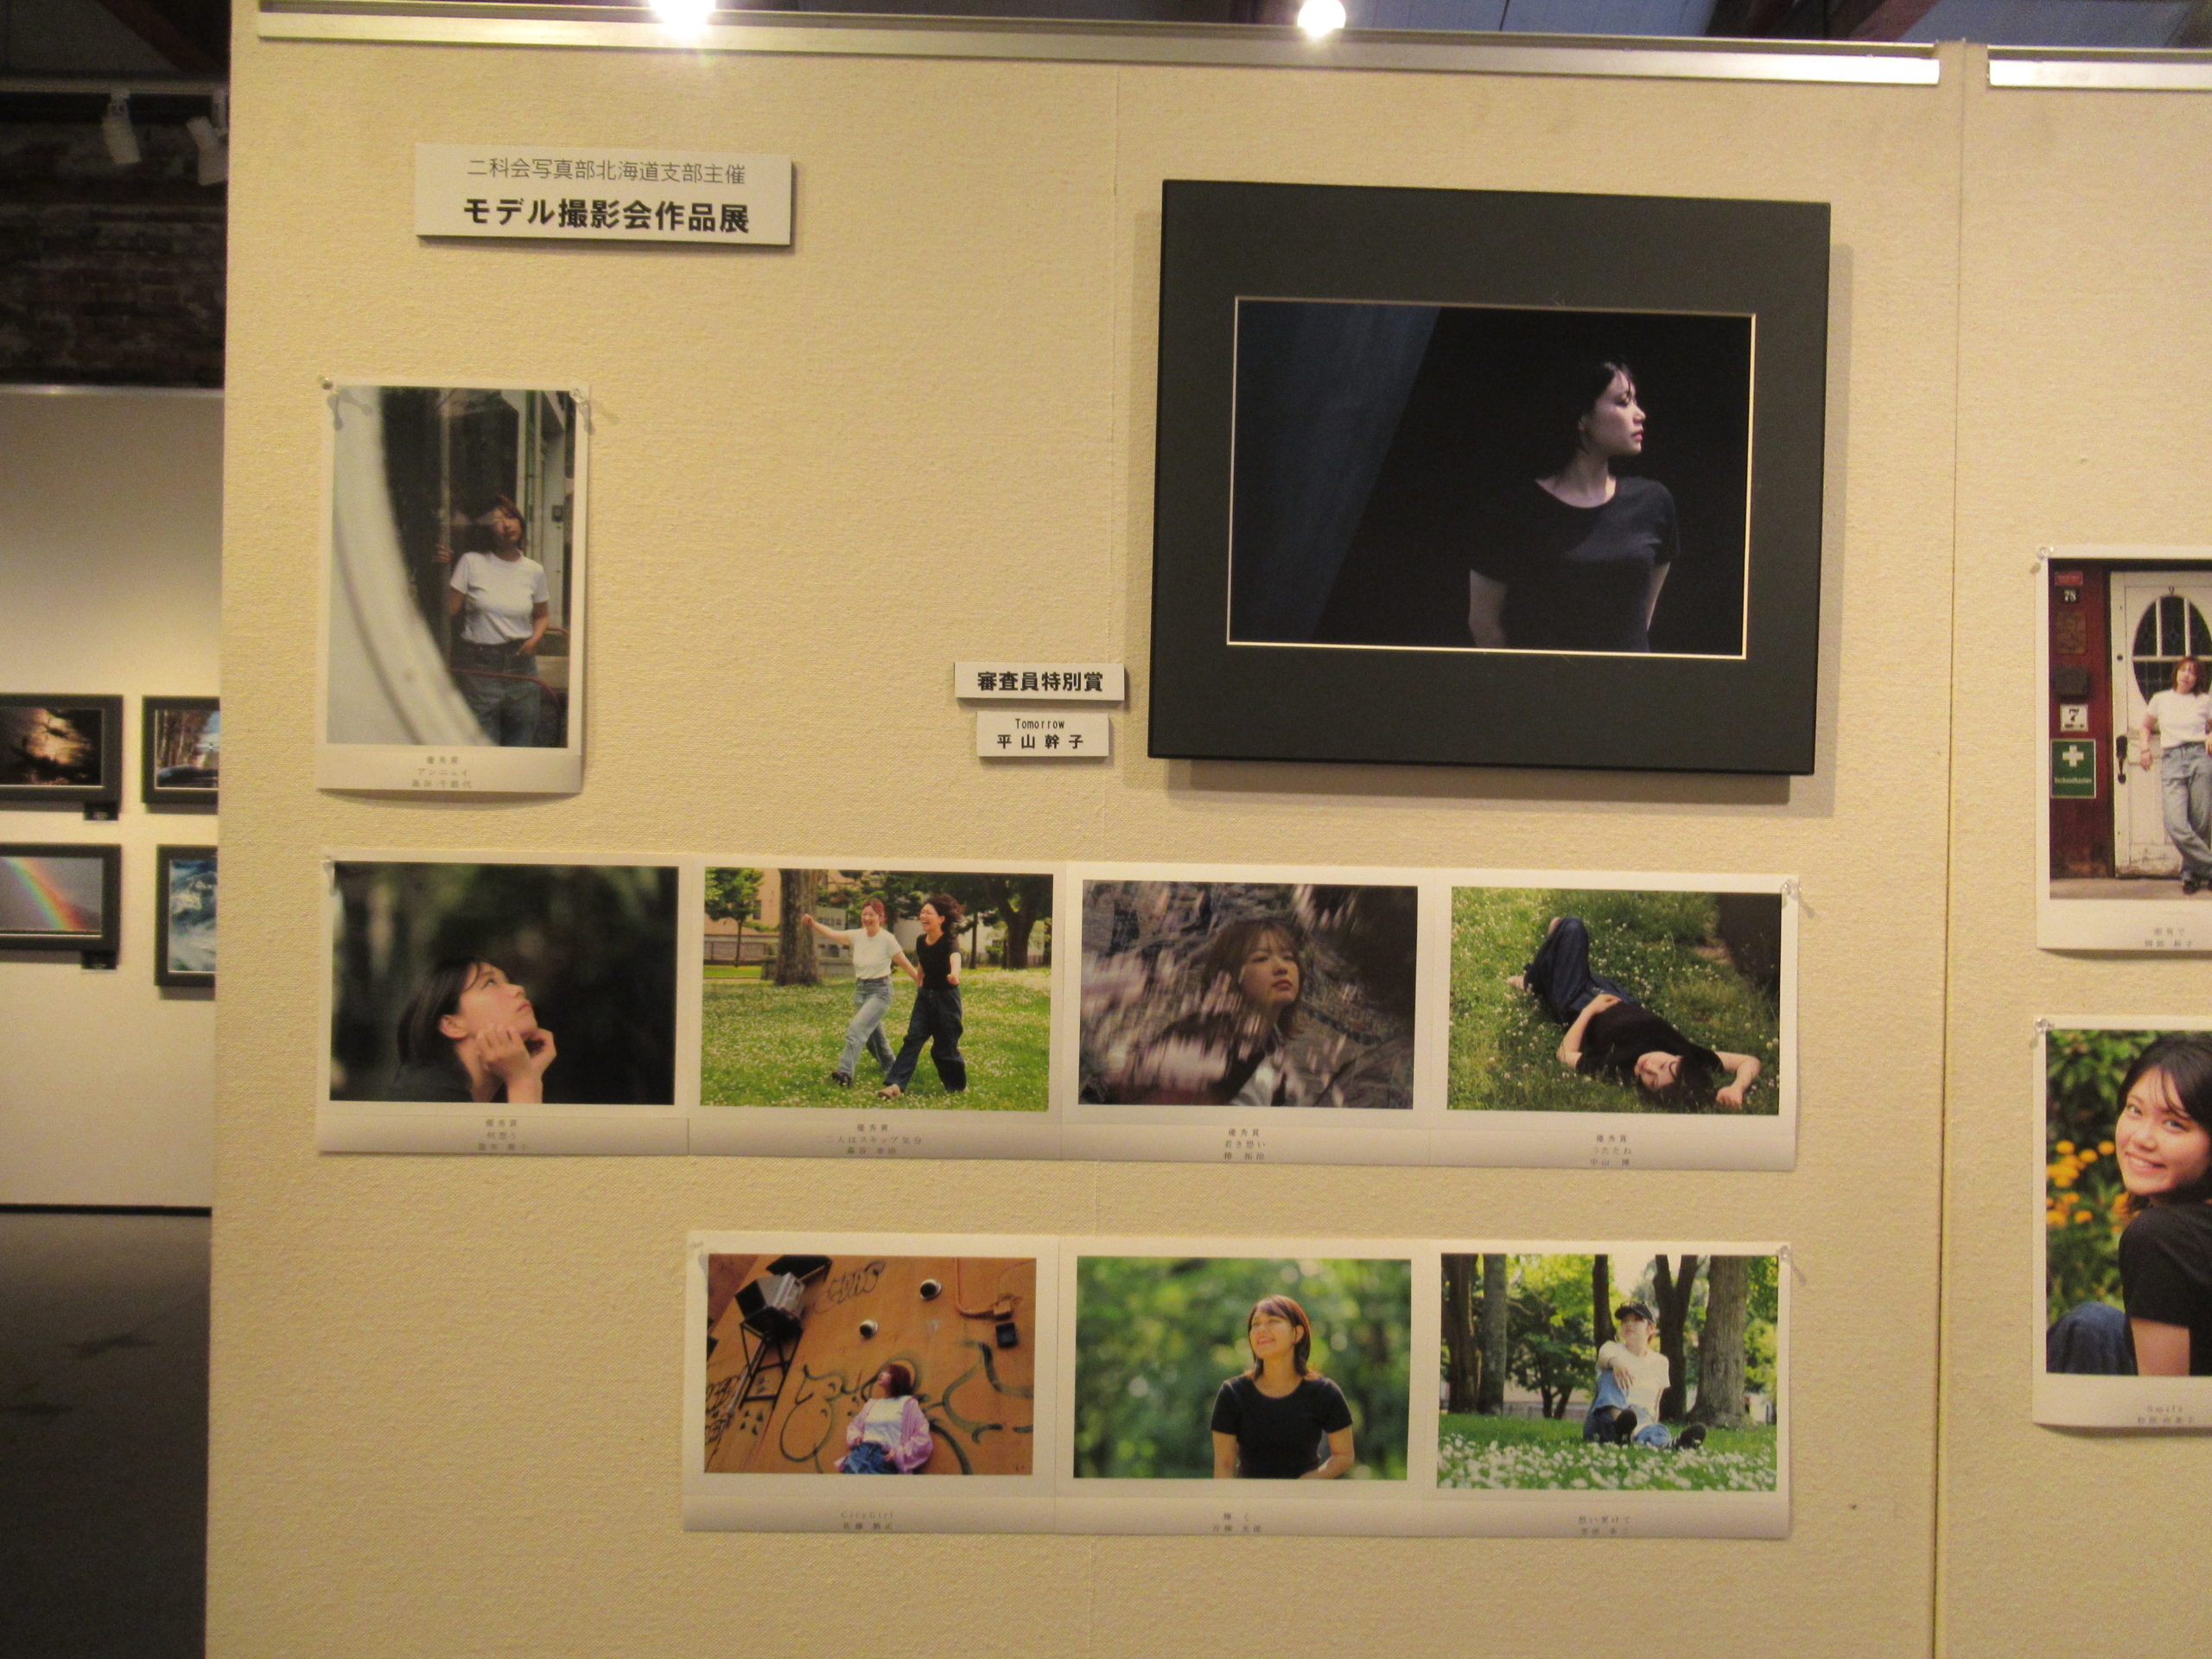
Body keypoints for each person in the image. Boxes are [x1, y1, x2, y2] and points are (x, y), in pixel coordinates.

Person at [1466, 359, 1681, 654]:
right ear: (1582, 417)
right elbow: (1484, 624)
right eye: (1623, 402)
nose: (1640, 414)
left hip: (1627, 681)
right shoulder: (1515, 510)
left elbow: (1640, 618)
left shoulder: (1653, 503)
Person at [2047, 1035, 2212, 1376]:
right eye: (2135, 1110)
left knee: (2086, 1327)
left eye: (2174, 1123)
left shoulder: (2163, 1236)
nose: (2141, 1139)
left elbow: (2164, 1401)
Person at [1511, 915, 1762, 1109]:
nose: (1649, 1067)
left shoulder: (1618, 1069)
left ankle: (1533, 981)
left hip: (1576, 1004)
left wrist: (1589, 1009)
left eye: (1652, 1081)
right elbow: (1749, 1061)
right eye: (1663, 1065)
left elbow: (1564, 1055)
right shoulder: (1689, 1053)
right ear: (1680, 1059)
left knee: (1570, 927)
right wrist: (1736, 1088)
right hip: (1620, 998)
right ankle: (1547, 972)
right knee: (1562, 941)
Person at [1109, 918, 1308, 1105]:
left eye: (1288, 957)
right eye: (1261, 958)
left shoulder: (1271, 1048)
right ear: (1230, 975)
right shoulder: (1203, 1043)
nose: (1282, 967)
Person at [444, 494, 552, 747]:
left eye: (511, 517)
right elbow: (450, 608)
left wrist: (534, 639)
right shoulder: (471, 562)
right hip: (481, 667)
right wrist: (442, 568)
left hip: (522, 665)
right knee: (484, 746)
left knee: (521, 743)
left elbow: (542, 615)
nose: (506, 525)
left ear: (520, 522)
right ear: (487, 530)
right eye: (496, 521)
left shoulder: (534, 570)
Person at [1211, 1295, 1354, 1478]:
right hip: (1249, 1497)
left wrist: (1309, 1481)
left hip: (1305, 1496)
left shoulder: (1325, 1392)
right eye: (1256, 1324)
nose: (1261, 1330)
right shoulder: (1232, 1393)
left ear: (1297, 1333)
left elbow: (1344, 1456)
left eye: (1273, 1321)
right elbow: (1224, 1465)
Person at [385, 957, 556, 1103]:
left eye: (508, 981)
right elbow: (520, 1136)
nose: (518, 989)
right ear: (452, 1025)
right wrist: (522, 1081)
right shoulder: (424, 1097)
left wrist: (530, 1076)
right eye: (490, 983)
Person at [798, 899, 918, 1089]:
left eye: (872, 915)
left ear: (881, 917)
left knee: (856, 1030)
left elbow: (904, 962)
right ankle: (892, 1066)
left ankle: (845, 1073)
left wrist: (920, 982)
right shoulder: (856, 936)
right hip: (860, 991)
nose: (867, 918)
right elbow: (833, 934)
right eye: (865, 914)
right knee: (874, 1037)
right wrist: (813, 924)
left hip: (880, 992)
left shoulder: (887, 939)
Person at [1580, 1301, 1708, 1451]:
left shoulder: (1661, 1362)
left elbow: (1656, 1404)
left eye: (1636, 1320)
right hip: (1604, 1420)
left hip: (1640, 1419)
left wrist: (1651, 1424)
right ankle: (1620, 1427)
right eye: (1625, 1321)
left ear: (1651, 1328)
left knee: (1655, 1428)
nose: (1629, 1324)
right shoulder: (1612, 1348)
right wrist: (1616, 1364)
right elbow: (1603, 1358)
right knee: (1610, 1372)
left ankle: (1670, 1445)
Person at [2135, 656, 2212, 894]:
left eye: (2192, 672)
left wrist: (2210, 735)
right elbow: (2145, 726)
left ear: (2198, 678)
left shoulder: (2204, 700)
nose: (2187, 675)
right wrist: (2145, 749)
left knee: (2201, 821)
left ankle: (2191, 875)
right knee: (2175, 823)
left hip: (2200, 758)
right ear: (2176, 673)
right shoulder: (2161, 699)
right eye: (2183, 670)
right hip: (2172, 759)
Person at [878, 894, 966, 1100]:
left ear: (941, 918)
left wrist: (955, 974)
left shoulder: (949, 940)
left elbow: (955, 957)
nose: (923, 916)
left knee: (944, 1049)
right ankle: (895, 1086)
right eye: (922, 912)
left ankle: (958, 1087)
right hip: (925, 998)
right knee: (913, 1040)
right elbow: (922, 965)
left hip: (946, 1000)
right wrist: (920, 984)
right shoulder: (921, 941)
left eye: (929, 913)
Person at [837, 1361, 934, 1473]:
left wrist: (897, 1454)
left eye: (888, 1372)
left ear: (898, 1377)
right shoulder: (872, 1404)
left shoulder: (908, 1404)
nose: (882, 1374)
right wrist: (856, 1438)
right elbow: (855, 1426)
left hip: (883, 1461)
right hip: (858, 1456)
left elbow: (923, 1439)